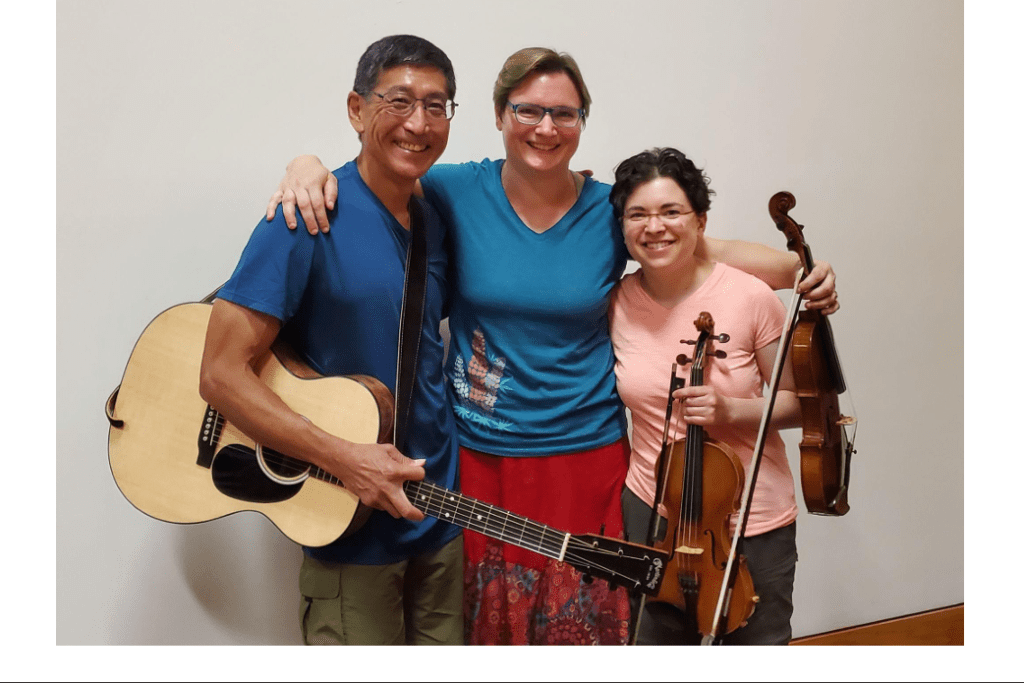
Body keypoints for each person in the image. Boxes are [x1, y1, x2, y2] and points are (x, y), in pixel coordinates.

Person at [267, 47, 837, 645]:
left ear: (582, 121)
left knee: (584, 629)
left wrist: (803, 270)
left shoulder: (609, 211)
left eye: (564, 113)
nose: (546, 128)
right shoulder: (454, 189)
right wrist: (308, 165)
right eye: (528, 110)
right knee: (490, 627)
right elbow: (376, 173)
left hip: (587, 456)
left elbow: (701, 248)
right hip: (480, 455)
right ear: (499, 114)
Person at [198, 35, 464, 646]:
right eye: (399, 101)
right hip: (349, 530)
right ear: (356, 109)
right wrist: (344, 458)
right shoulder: (304, 217)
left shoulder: (437, 218)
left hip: (441, 516)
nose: (419, 123)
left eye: (436, 105)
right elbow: (219, 374)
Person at [608, 147, 800, 645]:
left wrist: (731, 409)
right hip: (654, 512)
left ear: (700, 221)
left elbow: (799, 402)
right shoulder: (618, 302)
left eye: (671, 211)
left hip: (748, 518)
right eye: (638, 214)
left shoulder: (751, 297)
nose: (655, 227)